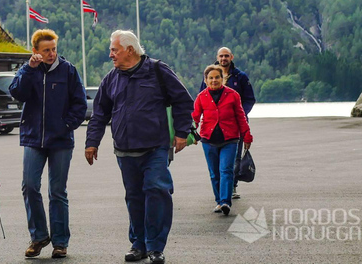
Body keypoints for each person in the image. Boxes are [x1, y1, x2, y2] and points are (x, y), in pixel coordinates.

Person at [85, 30, 193, 264]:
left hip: (155, 148)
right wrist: (92, 142)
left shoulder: (157, 70)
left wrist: (182, 132)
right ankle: (138, 245)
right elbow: (99, 113)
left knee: (157, 191)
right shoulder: (110, 79)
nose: (111, 54)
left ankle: (156, 247)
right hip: (124, 150)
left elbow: (183, 100)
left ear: (130, 50)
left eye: (114, 50)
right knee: (134, 198)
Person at [8, 29, 87, 259]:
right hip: (33, 139)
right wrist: (30, 70)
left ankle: (60, 242)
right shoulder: (27, 70)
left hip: (61, 141)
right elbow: (17, 93)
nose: (51, 54)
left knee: (57, 191)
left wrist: (66, 125)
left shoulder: (68, 70)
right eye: (46, 50)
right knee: (30, 186)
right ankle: (39, 237)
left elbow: (80, 104)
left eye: (53, 49)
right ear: (35, 51)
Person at [193, 65, 253, 216]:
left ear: (223, 78)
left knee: (226, 170)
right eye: (211, 78)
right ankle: (219, 201)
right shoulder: (201, 97)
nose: (214, 80)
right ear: (206, 80)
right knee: (214, 173)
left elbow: (241, 117)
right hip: (208, 140)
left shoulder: (233, 95)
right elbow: (195, 117)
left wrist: (247, 135)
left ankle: (226, 201)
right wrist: (191, 134)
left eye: (217, 77)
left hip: (230, 139)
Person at [199, 46, 255, 199]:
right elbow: (201, 99)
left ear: (231, 57)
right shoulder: (209, 75)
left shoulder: (240, 77)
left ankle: (232, 187)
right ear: (217, 58)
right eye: (221, 56)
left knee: (234, 158)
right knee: (216, 165)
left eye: (226, 56)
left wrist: (239, 115)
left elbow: (249, 99)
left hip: (235, 127)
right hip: (212, 128)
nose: (223, 58)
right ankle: (221, 193)